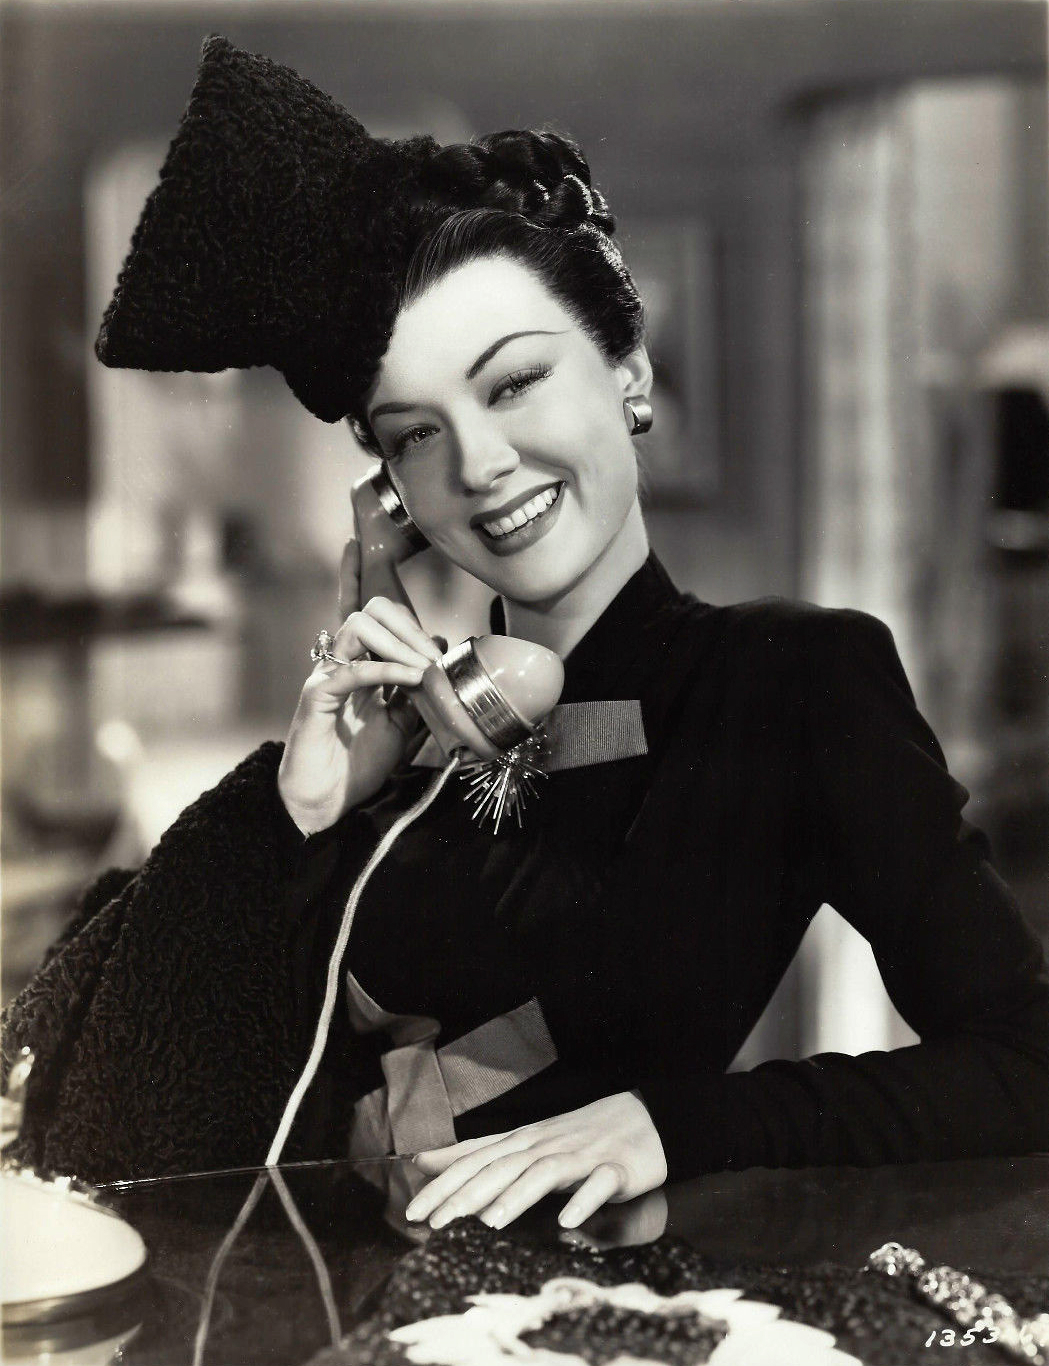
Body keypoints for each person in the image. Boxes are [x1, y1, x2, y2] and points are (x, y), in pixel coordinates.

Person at [3, 38, 1047, 1233]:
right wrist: (292, 818)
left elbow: (1025, 1060)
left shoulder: (786, 680)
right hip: (315, 1305)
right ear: (389, 492)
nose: (480, 465)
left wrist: (673, 1122)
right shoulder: (409, 740)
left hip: (567, 1306)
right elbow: (110, 1141)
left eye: (510, 384)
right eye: (415, 433)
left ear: (629, 375)